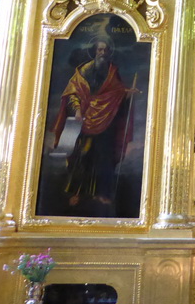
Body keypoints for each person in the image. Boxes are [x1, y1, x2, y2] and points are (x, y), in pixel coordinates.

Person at [52, 38, 136, 210]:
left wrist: (127, 94)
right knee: (82, 157)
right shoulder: (85, 70)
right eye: (99, 50)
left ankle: (103, 193)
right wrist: (77, 110)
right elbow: (73, 93)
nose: (102, 53)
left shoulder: (112, 71)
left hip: (107, 122)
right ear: (94, 51)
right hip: (85, 121)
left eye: (105, 50)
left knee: (104, 158)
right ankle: (76, 192)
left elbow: (115, 93)